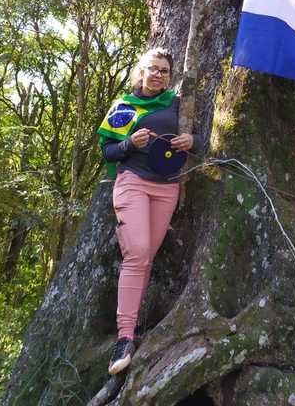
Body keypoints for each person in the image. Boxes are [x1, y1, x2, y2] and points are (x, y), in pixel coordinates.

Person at [97, 47, 202, 375]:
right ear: (141, 71)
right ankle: (124, 337)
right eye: (152, 69)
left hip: (167, 187)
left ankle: (132, 331)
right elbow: (108, 152)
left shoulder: (176, 104)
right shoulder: (124, 107)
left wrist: (192, 142)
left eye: (164, 71)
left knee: (145, 257)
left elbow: (202, 141)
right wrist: (131, 143)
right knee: (137, 252)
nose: (158, 75)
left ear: (170, 77)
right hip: (133, 184)